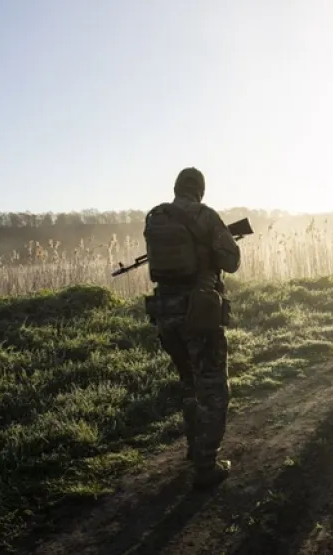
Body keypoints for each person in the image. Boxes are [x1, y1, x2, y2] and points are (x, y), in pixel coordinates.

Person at [142, 167, 241, 489]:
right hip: (199, 314)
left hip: (165, 313)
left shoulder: (156, 217)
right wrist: (216, 248)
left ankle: (193, 447)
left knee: (189, 383)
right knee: (214, 390)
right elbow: (231, 261)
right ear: (200, 189)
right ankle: (206, 465)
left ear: (176, 188)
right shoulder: (205, 216)